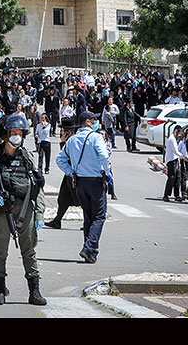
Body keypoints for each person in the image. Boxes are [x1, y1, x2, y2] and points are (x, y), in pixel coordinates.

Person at [0, 113, 47, 306]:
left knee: (29, 251)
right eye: (13, 133)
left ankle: (34, 291)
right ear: (6, 134)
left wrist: (39, 213)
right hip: (1, 209)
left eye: (19, 133)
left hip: (24, 209)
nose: (16, 136)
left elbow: (37, 187)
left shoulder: (27, 156)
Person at [56, 111, 111, 264]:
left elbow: (60, 160)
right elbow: (104, 156)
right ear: (87, 122)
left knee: (88, 216)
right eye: (93, 120)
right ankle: (90, 247)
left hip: (80, 183)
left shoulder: (72, 140)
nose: (95, 122)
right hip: (95, 182)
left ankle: (90, 252)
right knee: (99, 216)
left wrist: (71, 172)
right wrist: (107, 172)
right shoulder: (95, 137)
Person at [45, 116, 83, 229]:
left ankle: (88, 222)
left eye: (64, 130)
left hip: (75, 174)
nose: (62, 132)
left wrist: (63, 142)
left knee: (80, 199)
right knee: (63, 198)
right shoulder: (68, 140)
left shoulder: (75, 140)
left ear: (69, 131)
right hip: (68, 173)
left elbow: (66, 156)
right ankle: (57, 221)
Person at [163, 125, 184, 202]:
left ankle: (177, 195)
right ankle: (166, 195)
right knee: (171, 178)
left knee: (178, 178)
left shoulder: (174, 139)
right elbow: (175, 151)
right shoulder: (171, 139)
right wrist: (183, 156)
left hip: (176, 160)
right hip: (171, 161)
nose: (180, 135)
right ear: (175, 131)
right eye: (179, 133)